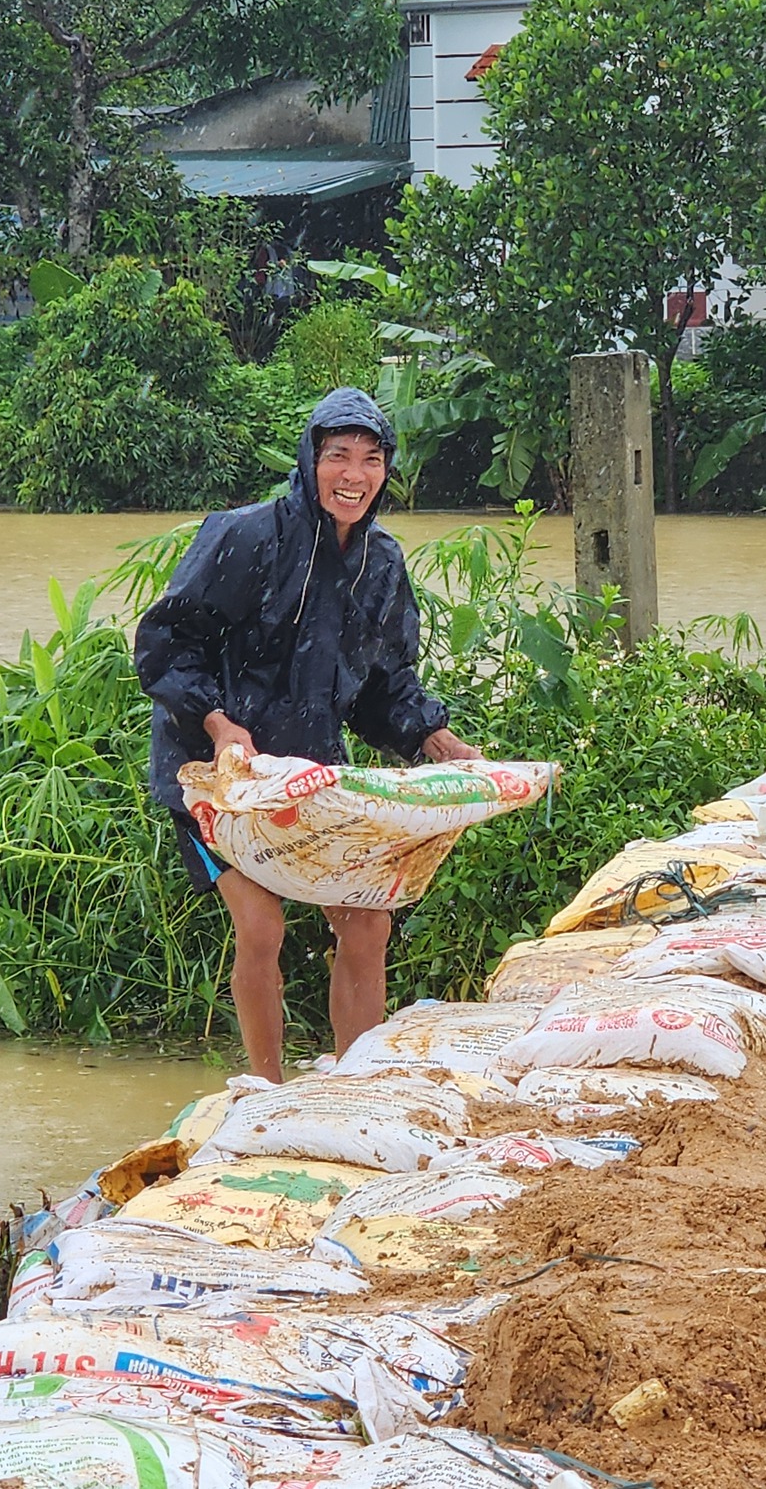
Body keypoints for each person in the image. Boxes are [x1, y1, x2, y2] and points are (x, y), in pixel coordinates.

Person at [134, 387, 480, 1083]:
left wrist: (436, 739)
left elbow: (384, 687)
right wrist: (218, 722)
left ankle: (354, 1087)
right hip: (214, 778)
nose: (353, 475)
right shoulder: (245, 536)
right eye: (338, 457)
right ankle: (266, 1089)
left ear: (385, 473)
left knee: (367, 923)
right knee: (261, 928)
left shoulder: (380, 565)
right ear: (310, 461)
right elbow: (165, 644)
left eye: (371, 460)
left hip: (310, 775)